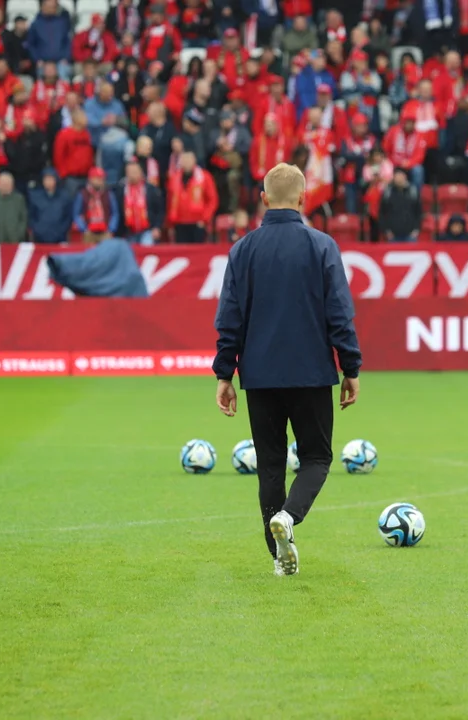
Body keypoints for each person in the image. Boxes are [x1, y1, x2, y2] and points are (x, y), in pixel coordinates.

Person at [213, 163, 361, 577]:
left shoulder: (242, 251)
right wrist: (350, 366)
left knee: (271, 465)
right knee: (316, 457)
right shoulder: (322, 246)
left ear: (263, 199)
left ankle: (280, 556)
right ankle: (290, 517)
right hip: (312, 374)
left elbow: (230, 319)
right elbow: (339, 314)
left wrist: (225, 374)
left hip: (259, 378)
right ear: (302, 198)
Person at [166, 150, 218, 243]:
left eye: (189, 159)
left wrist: (205, 218)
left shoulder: (204, 176)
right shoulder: (174, 178)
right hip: (179, 222)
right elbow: (170, 201)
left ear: (194, 161)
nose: (186, 162)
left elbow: (212, 200)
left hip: (198, 222)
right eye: (184, 160)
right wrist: (170, 223)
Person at [117, 160, 163, 245]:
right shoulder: (121, 190)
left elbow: (159, 210)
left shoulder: (151, 190)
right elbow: (118, 212)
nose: (132, 175)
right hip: (128, 232)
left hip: (148, 231)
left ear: (141, 172)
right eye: (129, 172)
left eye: (135, 172)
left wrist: (157, 227)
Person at [73, 166, 118, 242]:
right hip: (89, 233)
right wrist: (84, 229)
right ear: (90, 179)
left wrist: (111, 229)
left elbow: (115, 213)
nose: (100, 181)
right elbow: (76, 214)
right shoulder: (83, 194)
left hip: (105, 232)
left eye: (101, 178)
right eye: (97, 178)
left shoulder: (109, 194)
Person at [28, 167, 73, 243]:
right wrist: (38, 229)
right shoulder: (35, 197)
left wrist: (61, 231)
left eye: (51, 179)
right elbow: (31, 216)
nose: (48, 182)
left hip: (59, 238)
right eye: (46, 179)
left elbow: (68, 217)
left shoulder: (64, 197)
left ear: (56, 180)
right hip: (40, 238)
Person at [0, 172, 28, 243]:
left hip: (15, 242)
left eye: (7, 184)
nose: (5, 186)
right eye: (3, 184)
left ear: (12, 185)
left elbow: (23, 220)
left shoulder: (19, 200)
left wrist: (18, 235)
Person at [379, 168, 421, 242]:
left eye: (400, 176)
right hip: (392, 236)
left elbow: (418, 212)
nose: (398, 178)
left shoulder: (413, 191)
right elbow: (382, 213)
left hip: (410, 235)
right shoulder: (388, 192)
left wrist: (416, 230)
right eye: (396, 176)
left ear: (405, 177)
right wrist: (386, 230)